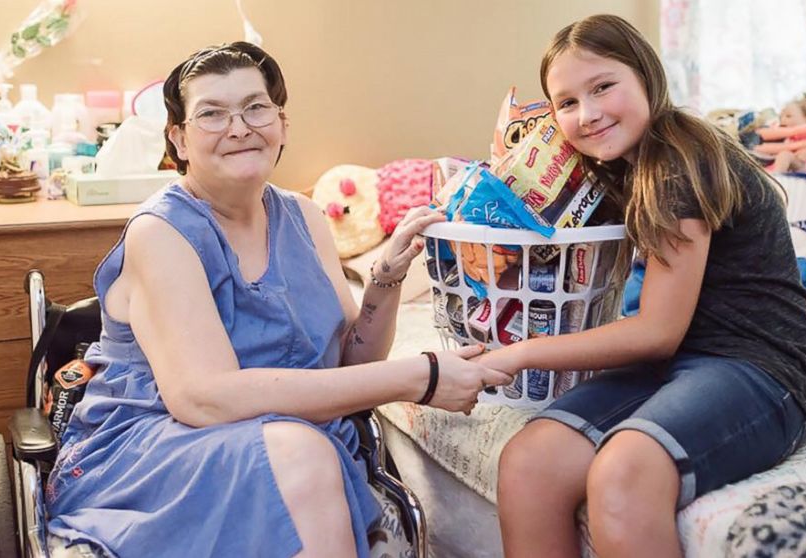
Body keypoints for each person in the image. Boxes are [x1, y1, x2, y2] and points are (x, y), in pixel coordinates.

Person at [44, 42, 511, 558]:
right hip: (154, 448)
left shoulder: (305, 217)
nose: (240, 127)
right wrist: (419, 377)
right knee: (303, 454)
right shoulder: (163, 232)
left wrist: (385, 277)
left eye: (255, 107)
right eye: (212, 114)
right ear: (178, 139)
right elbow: (204, 397)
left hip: (285, 440)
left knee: (303, 451)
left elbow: (352, 362)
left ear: (282, 124)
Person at [479, 15, 806, 558]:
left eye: (602, 87)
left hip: (757, 363)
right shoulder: (616, 168)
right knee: (529, 464)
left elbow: (657, 331)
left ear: (646, 76)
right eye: (566, 103)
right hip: (674, 365)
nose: (587, 114)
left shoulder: (682, 159)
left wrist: (522, 353)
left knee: (624, 471)